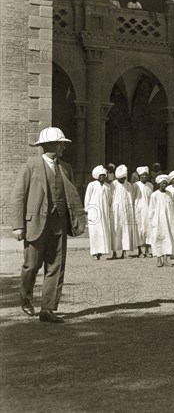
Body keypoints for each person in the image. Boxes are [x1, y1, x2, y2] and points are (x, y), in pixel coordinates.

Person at [11, 127, 84, 323]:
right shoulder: (31, 165)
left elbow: (71, 195)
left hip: (59, 223)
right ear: (50, 145)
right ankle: (26, 299)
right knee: (31, 265)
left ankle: (48, 309)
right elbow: (18, 196)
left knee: (56, 266)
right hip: (35, 223)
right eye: (61, 144)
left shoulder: (66, 168)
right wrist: (18, 226)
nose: (63, 148)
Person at [148, 175, 174, 267]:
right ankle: (159, 259)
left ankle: (166, 259)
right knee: (158, 239)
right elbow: (151, 209)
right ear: (159, 184)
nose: (164, 185)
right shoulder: (154, 195)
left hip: (168, 221)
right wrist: (151, 221)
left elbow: (171, 207)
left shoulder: (169, 194)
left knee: (167, 239)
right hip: (157, 221)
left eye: (165, 183)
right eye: (162, 183)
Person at [109, 164, 138, 259]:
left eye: (124, 178)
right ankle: (114, 252)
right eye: (121, 178)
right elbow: (110, 198)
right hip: (115, 211)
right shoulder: (113, 185)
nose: (123, 180)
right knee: (115, 231)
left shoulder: (128, 185)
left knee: (125, 231)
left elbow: (131, 198)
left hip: (126, 211)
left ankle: (124, 252)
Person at [84, 165, 112, 260]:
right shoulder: (92, 185)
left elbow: (109, 200)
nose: (102, 177)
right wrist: (87, 210)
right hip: (94, 212)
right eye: (100, 176)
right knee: (95, 232)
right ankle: (95, 253)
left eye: (104, 175)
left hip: (104, 212)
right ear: (97, 176)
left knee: (103, 232)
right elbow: (87, 198)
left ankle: (101, 252)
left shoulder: (107, 186)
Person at [133, 166, 153, 258]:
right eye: (142, 175)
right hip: (139, 211)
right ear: (139, 176)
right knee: (139, 230)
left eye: (145, 175)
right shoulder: (135, 185)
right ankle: (140, 251)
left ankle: (148, 250)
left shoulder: (150, 185)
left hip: (148, 210)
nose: (144, 177)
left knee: (148, 230)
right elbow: (133, 198)